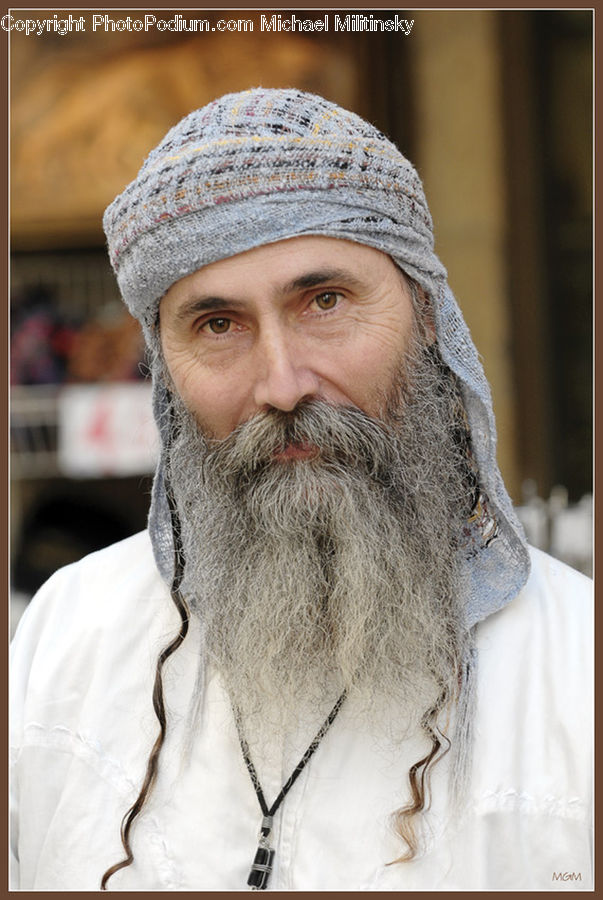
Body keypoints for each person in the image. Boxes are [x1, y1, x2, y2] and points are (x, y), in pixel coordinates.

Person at [10, 88, 592, 891]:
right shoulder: (69, 638)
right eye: (217, 325)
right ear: (164, 369)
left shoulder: (573, 673)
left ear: (426, 317)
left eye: (325, 301)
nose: (281, 385)